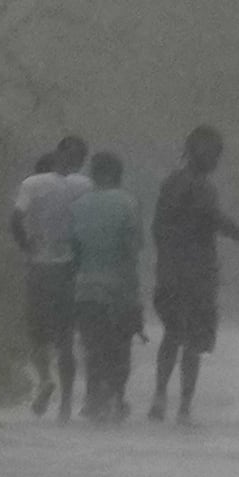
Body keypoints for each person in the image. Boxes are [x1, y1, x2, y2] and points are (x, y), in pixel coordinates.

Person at [148, 125, 239, 425]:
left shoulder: (172, 183)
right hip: (196, 275)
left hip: (173, 273)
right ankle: (183, 406)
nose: (215, 159)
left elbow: (159, 229)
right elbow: (219, 223)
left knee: (174, 336)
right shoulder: (200, 188)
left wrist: (167, 259)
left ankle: (162, 397)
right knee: (191, 342)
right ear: (197, 153)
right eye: (213, 153)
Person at [6, 136, 92, 418]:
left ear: (57, 153)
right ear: (81, 159)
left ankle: (44, 380)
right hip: (69, 270)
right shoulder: (85, 186)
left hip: (39, 267)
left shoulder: (33, 184)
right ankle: (66, 404)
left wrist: (26, 245)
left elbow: (15, 220)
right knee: (65, 337)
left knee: (37, 334)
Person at [66, 151, 146, 421]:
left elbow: (73, 252)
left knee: (92, 346)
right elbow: (131, 251)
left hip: (85, 289)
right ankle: (117, 398)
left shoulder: (78, 205)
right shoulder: (128, 204)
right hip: (118, 289)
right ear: (117, 175)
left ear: (94, 173)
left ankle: (92, 399)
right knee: (120, 347)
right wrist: (133, 295)